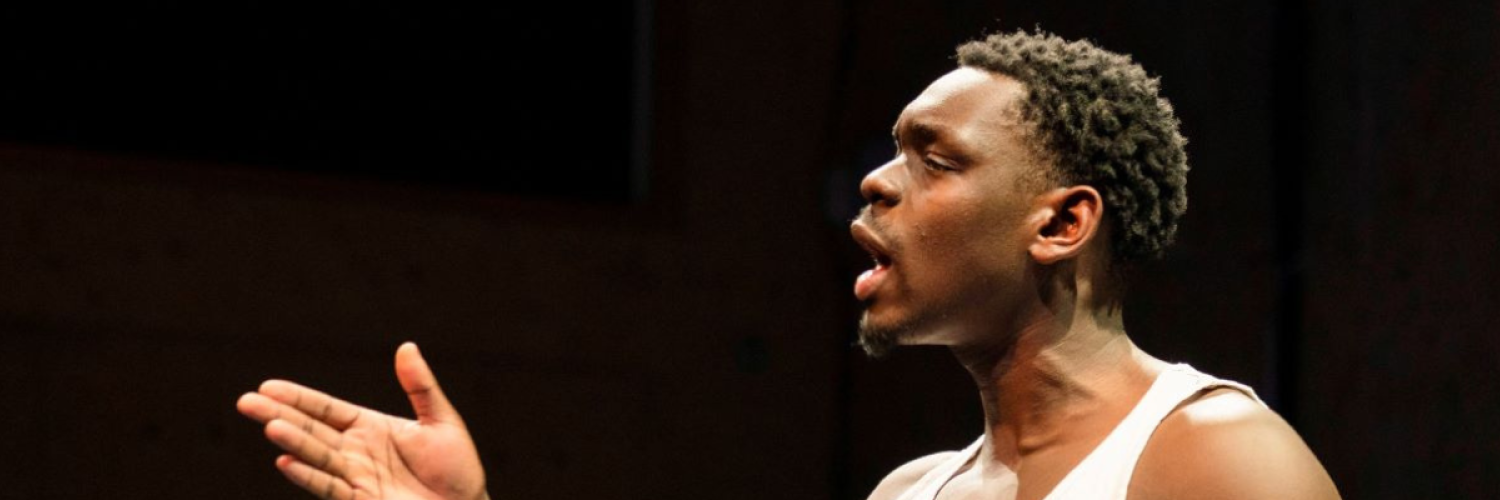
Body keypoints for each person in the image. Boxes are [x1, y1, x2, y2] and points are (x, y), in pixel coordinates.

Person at [236, 29, 1341, 500]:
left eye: (933, 157)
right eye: (886, 152)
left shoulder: (1210, 457)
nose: (875, 182)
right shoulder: (915, 491)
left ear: (1060, 222)